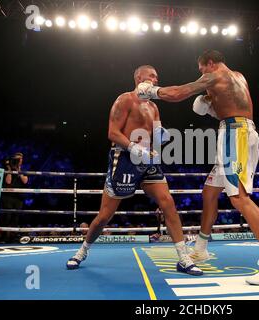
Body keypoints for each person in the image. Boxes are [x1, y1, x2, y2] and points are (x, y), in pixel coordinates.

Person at [137, 50, 259, 285]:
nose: (201, 75)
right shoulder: (238, 76)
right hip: (234, 131)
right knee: (209, 193)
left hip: (235, 135)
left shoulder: (214, 75)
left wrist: (152, 91)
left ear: (209, 63)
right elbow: (230, 104)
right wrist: (209, 104)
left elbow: (179, 93)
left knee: (239, 198)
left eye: (201, 69)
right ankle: (201, 248)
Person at [66, 65, 203, 276]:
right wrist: (134, 147)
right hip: (124, 159)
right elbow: (112, 132)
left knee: (168, 204)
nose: (156, 79)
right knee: (104, 216)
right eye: (152, 75)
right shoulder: (125, 99)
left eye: (157, 76)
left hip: (147, 162)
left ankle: (183, 258)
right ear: (139, 77)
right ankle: (82, 251)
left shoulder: (154, 108)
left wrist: (160, 140)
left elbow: (156, 137)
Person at [0, 152, 28, 243]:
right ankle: (3, 237)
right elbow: (8, 182)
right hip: (8, 196)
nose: (20, 160)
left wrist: (19, 170)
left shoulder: (23, 169)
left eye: (21, 159)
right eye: (18, 159)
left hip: (18, 197)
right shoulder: (6, 169)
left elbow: (25, 181)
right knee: (6, 216)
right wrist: (9, 169)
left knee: (15, 217)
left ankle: (12, 237)